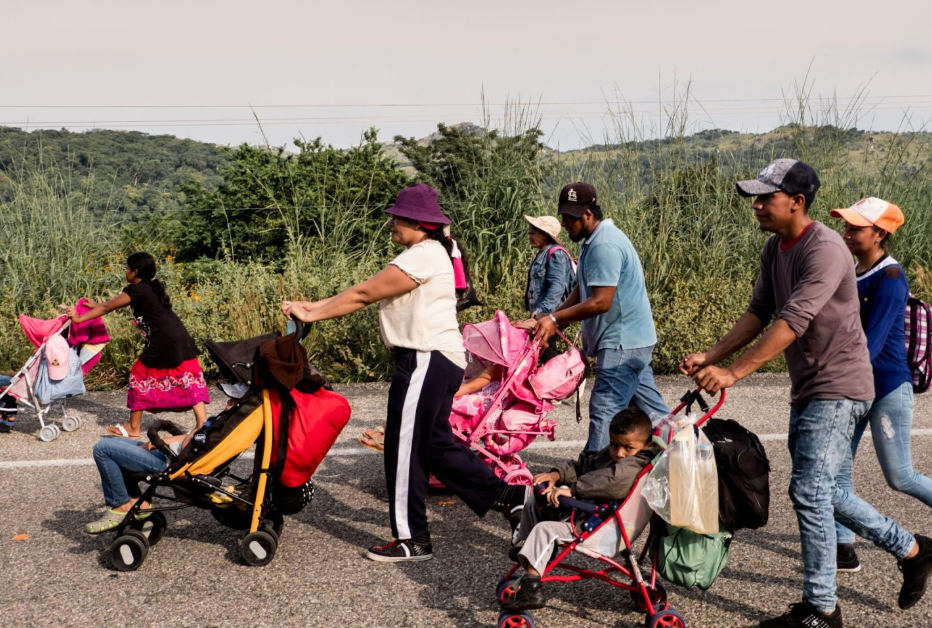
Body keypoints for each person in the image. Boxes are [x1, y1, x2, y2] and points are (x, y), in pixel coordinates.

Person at [681, 160, 932, 628]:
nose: (756, 206)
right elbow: (760, 310)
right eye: (754, 198)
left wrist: (733, 373)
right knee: (821, 493)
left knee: (811, 491)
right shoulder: (775, 248)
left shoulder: (826, 249)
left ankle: (822, 608)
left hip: (840, 386)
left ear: (797, 202)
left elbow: (792, 321)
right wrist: (709, 354)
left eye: (765, 198)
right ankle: (913, 550)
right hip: (810, 386)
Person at [283, 183, 527, 562]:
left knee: (403, 450)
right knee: (435, 447)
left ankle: (411, 539)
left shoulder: (423, 255)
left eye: (396, 218)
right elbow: (363, 291)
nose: (391, 224)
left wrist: (313, 314)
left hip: (426, 359)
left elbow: (365, 294)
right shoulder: (429, 253)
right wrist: (311, 305)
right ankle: (513, 498)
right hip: (436, 360)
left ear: (418, 221)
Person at [829, 197, 932, 573]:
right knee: (838, 469)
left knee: (900, 475)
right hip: (857, 385)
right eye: (848, 226)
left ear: (880, 233)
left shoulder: (890, 278)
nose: (848, 233)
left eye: (857, 227)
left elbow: (870, 344)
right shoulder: (854, 271)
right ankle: (843, 547)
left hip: (887, 387)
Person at [529, 182, 670, 452]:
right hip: (632, 341)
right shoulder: (592, 241)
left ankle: (594, 476)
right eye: (563, 216)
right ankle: (692, 454)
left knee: (605, 410)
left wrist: (555, 320)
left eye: (571, 217)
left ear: (589, 214)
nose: (566, 223)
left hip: (622, 343)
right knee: (655, 414)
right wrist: (550, 320)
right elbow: (583, 290)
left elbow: (600, 301)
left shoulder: (604, 244)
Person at [501, 407, 657, 611]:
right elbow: (582, 465)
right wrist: (555, 476)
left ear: (647, 445)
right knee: (535, 499)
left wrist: (573, 490)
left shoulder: (636, 464)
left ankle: (532, 585)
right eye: (614, 445)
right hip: (589, 516)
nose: (619, 453)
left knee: (545, 530)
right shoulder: (611, 456)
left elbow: (613, 482)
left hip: (602, 528)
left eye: (628, 448)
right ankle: (530, 548)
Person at [66, 252, 209, 438]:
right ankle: (202, 423)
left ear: (135, 271)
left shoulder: (136, 290)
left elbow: (108, 308)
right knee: (188, 375)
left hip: (163, 339)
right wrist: (96, 306)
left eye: (127, 268)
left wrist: (77, 318)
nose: (125, 271)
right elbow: (111, 304)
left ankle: (133, 427)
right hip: (178, 336)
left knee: (138, 375)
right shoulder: (150, 286)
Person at [522, 215, 575, 363]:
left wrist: (542, 312)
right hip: (543, 312)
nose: (529, 236)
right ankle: (562, 378)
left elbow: (557, 287)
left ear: (544, 235)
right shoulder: (542, 254)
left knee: (542, 347)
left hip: (554, 312)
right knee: (543, 348)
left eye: (533, 233)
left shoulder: (556, 254)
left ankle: (570, 374)